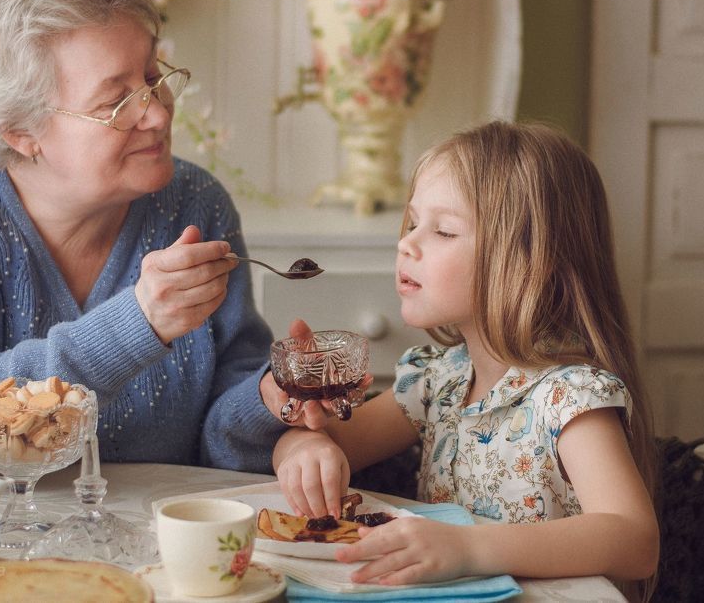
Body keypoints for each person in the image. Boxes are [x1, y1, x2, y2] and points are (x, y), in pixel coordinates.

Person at [0, 0, 291, 471]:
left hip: (146, 523)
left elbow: (220, 437)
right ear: (21, 132)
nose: (156, 113)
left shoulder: (195, 202)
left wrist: (272, 401)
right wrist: (140, 323)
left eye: (153, 76)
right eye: (115, 102)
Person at [272, 120, 660, 596]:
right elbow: (332, 442)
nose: (406, 243)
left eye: (443, 231)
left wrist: (468, 548)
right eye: (412, 223)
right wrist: (305, 448)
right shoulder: (440, 379)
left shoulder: (569, 397)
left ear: (529, 262)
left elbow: (635, 540)